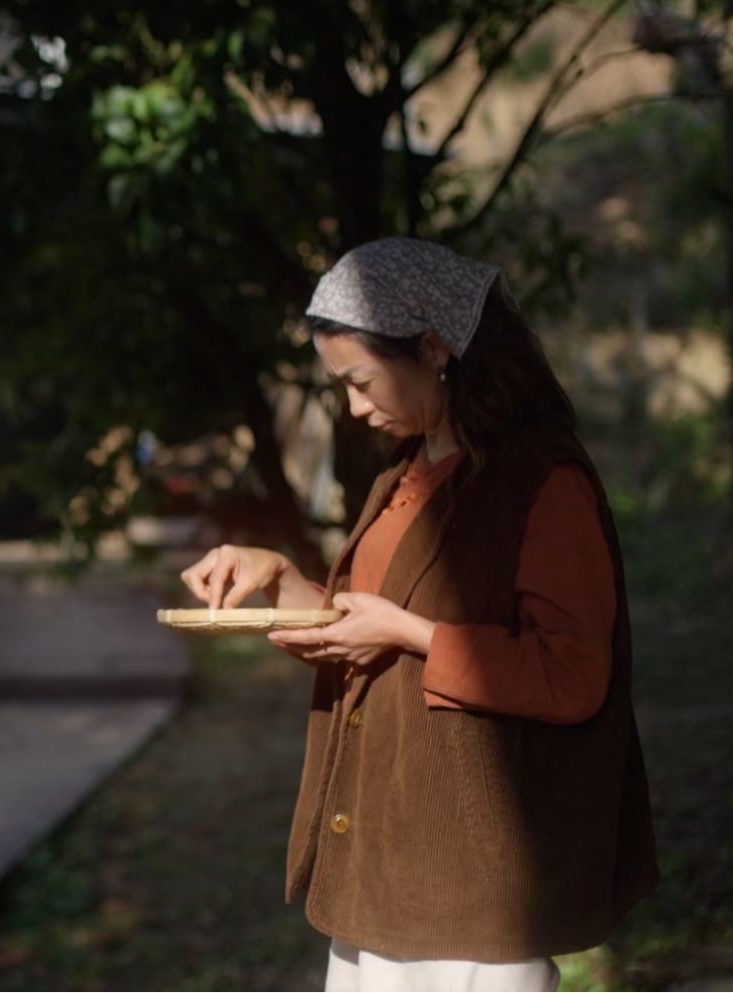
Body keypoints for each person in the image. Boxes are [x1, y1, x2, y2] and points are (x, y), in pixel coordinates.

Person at [179, 238, 658, 992]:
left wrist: (408, 633)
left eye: (360, 380)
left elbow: (571, 674)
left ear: (433, 348)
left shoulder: (543, 481)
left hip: (468, 886)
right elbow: (357, 627)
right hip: (381, 860)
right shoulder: (407, 474)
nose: (353, 406)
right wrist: (274, 576)